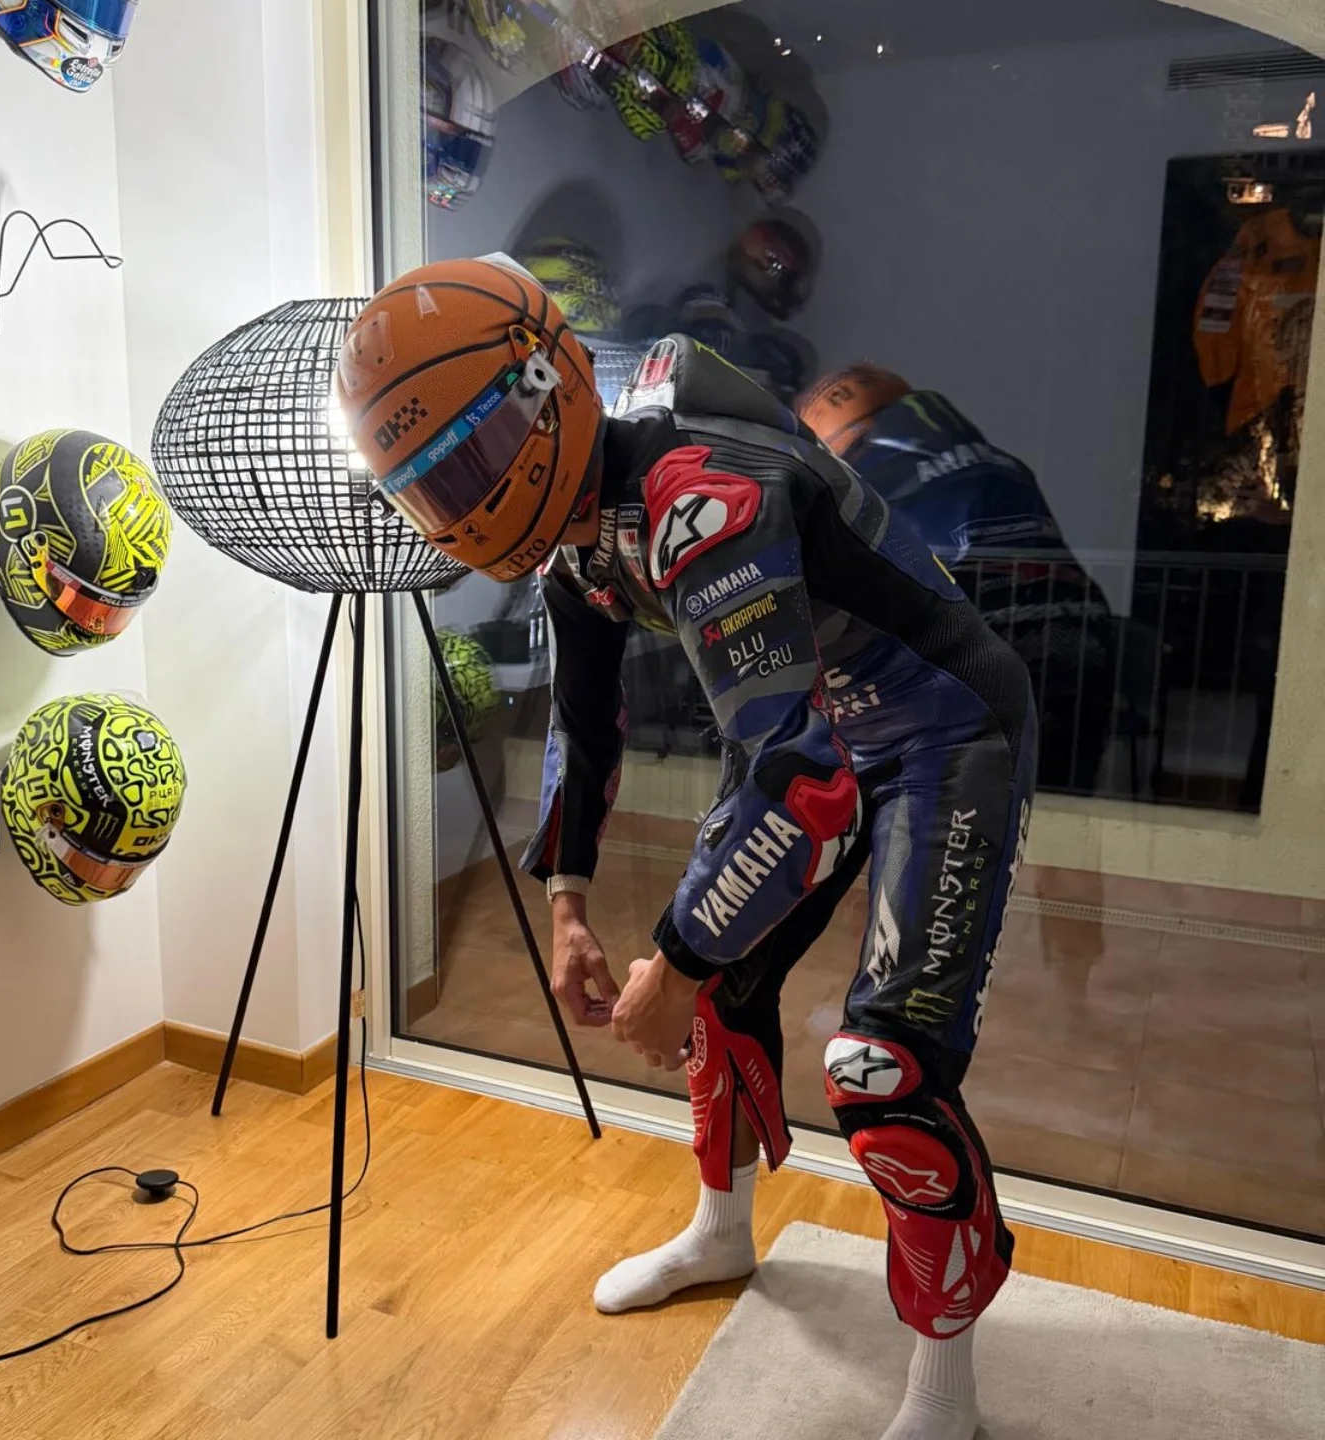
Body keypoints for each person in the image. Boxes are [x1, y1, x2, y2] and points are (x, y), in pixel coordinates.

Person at [338, 256, 1037, 1440]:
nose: (465, 502)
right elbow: (584, 722)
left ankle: (944, 1391)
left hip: (942, 722)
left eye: (474, 457)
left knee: (883, 1067)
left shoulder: (701, 491)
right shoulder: (575, 537)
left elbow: (800, 789)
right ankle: (721, 1234)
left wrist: (675, 959)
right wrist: (568, 904)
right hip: (811, 724)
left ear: (546, 388)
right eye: (430, 485)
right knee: (718, 997)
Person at [798, 366, 1116, 794]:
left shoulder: (876, 481)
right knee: (1064, 790)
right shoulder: (1000, 463)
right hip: (1083, 639)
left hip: (984, 652)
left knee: (958, 797)